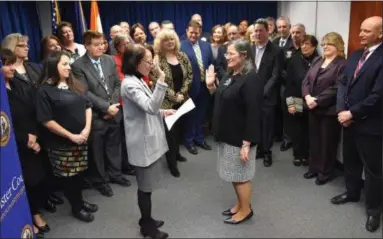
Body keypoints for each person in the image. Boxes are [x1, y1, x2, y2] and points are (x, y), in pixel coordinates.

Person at [333, 16, 383, 233]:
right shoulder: (354, 56)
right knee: (351, 161)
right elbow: (343, 84)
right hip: (348, 121)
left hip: (370, 125)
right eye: (360, 30)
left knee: (373, 170)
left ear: (380, 34)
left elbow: (378, 96)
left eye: (366, 31)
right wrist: (341, 111)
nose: (360, 34)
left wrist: (352, 112)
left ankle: (374, 210)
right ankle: (352, 193)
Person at [36, 51, 97, 222]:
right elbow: (46, 121)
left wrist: (86, 129)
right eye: (64, 64)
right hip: (61, 144)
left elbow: (88, 105)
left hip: (81, 139)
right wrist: (71, 136)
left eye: (68, 63)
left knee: (80, 174)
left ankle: (81, 201)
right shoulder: (44, 91)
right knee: (70, 178)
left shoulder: (74, 83)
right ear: (53, 67)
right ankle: (76, 208)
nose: (69, 67)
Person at [206, 40, 263, 224]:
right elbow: (223, 98)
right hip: (227, 135)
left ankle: (246, 210)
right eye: (227, 54)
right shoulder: (231, 74)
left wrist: (247, 143)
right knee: (234, 174)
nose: (227, 57)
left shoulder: (251, 78)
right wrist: (211, 87)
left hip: (240, 138)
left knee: (241, 176)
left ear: (244, 55)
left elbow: (254, 112)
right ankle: (240, 204)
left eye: (231, 54)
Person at [121, 44, 174, 239]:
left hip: (148, 139)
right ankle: (147, 228)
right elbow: (150, 107)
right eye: (148, 61)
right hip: (141, 144)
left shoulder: (138, 80)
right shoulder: (129, 84)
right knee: (145, 188)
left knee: (148, 186)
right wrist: (161, 80)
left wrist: (163, 112)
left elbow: (148, 109)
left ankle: (146, 219)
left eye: (152, 60)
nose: (151, 65)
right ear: (135, 63)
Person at [72, 30, 131, 198]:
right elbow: (84, 92)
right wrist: (106, 108)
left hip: (114, 111)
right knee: (97, 151)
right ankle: (101, 181)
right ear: (87, 46)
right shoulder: (78, 65)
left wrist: (113, 106)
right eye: (96, 45)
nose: (101, 47)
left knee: (114, 145)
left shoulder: (109, 60)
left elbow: (117, 84)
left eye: (103, 44)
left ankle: (116, 174)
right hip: (96, 116)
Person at [1, 49, 48, 238]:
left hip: (33, 137)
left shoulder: (17, 83)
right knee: (26, 182)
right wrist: (26, 139)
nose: (13, 68)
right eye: (8, 64)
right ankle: (33, 215)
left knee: (37, 179)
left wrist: (35, 135)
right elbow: (5, 123)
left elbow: (31, 109)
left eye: (13, 63)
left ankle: (35, 209)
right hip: (16, 145)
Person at [302, 32, 346, 185]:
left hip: (328, 110)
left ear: (338, 46)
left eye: (330, 44)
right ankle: (314, 167)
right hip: (312, 108)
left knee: (327, 143)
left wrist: (318, 100)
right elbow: (306, 81)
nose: (325, 46)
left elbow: (337, 87)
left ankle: (325, 172)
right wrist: (307, 97)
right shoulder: (318, 60)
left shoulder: (342, 64)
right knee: (314, 140)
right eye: (324, 44)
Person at [152, 29, 192, 177]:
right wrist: (174, 96)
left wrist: (182, 93)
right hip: (166, 104)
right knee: (171, 135)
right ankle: (171, 163)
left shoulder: (182, 56)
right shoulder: (157, 59)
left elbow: (189, 75)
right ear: (160, 43)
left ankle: (177, 154)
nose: (170, 42)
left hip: (183, 100)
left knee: (180, 130)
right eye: (166, 40)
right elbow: (157, 80)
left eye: (172, 39)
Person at [285, 35, 319, 166]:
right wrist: (290, 103)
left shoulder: (319, 60)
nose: (304, 46)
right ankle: (298, 155)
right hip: (297, 98)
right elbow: (288, 84)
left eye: (307, 44)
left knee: (310, 129)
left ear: (314, 46)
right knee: (298, 128)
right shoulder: (294, 60)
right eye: (302, 44)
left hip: (314, 100)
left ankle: (308, 155)